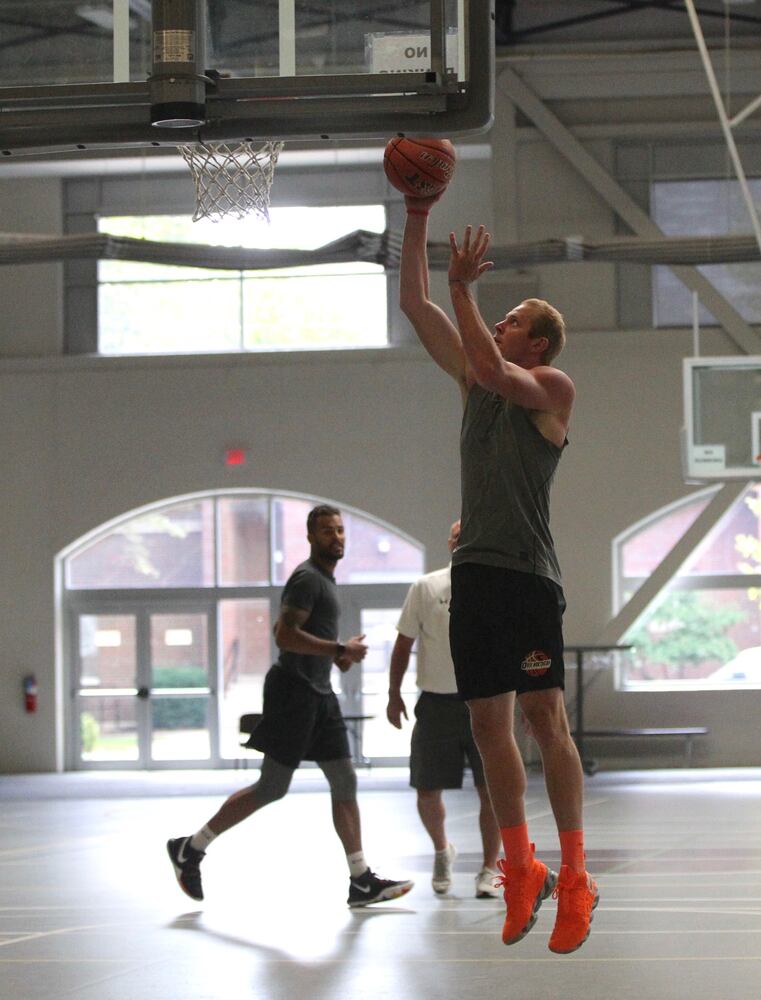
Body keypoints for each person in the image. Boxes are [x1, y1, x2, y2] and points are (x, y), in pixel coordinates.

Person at [399, 194, 598, 954]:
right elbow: (414, 303)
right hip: (476, 572)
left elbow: (481, 353)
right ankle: (521, 869)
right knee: (488, 729)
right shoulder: (476, 384)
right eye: (500, 314)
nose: (500, 323)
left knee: (545, 721)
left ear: (539, 345)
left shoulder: (552, 391)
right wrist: (416, 210)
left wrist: (464, 288)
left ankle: (575, 875)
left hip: (527, 577)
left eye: (512, 317)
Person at [167, 504, 414, 909]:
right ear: (310, 536)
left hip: (319, 692)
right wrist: (338, 647)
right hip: (293, 692)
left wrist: (337, 658)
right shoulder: (307, 579)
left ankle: (361, 880)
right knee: (271, 787)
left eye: (340, 530)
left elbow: (306, 642)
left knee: (345, 781)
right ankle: (190, 849)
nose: (336, 537)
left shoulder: (327, 582)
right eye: (327, 531)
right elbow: (285, 635)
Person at [386, 518, 501, 898]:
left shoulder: (492, 587)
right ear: (449, 543)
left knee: (493, 790)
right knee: (426, 788)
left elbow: (508, 647)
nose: (459, 541)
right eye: (454, 536)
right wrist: (393, 693)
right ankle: (441, 850)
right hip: (435, 703)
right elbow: (403, 645)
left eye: (466, 535)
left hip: (483, 702)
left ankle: (489, 868)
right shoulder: (426, 587)